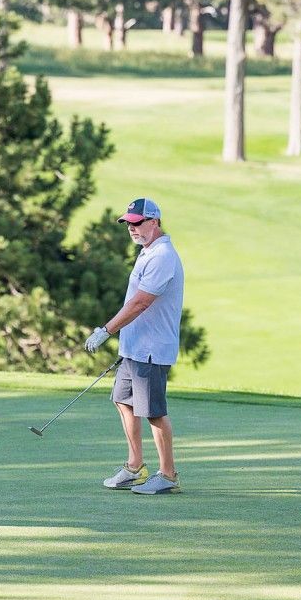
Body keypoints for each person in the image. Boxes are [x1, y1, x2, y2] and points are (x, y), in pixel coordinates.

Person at [85, 197, 185, 494]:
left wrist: (106, 330)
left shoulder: (162, 256)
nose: (131, 228)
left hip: (152, 349)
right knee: (123, 401)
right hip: (134, 347)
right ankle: (135, 467)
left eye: (137, 223)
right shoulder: (147, 252)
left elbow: (141, 302)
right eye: (128, 223)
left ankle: (168, 475)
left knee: (153, 411)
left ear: (154, 222)